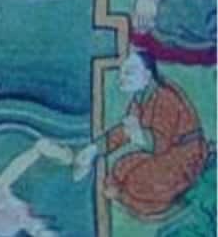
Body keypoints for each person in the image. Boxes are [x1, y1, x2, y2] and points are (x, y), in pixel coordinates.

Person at [72, 50, 211, 220]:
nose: (122, 78)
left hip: (185, 155)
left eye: (129, 72)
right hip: (161, 153)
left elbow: (159, 144)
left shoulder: (165, 98)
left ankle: (174, 197)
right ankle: (138, 195)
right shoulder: (139, 99)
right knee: (119, 168)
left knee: (138, 183)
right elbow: (123, 132)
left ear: (146, 75)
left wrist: (137, 132)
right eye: (122, 73)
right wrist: (93, 150)